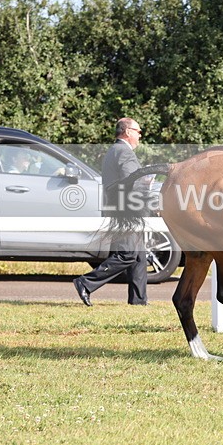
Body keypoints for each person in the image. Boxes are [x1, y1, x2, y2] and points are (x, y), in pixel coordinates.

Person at [73, 117, 149, 306]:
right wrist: (146, 186)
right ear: (128, 131)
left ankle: (138, 301)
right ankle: (86, 282)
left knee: (139, 256)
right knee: (127, 254)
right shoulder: (124, 152)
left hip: (120, 209)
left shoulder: (115, 150)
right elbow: (131, 181)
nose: (140, 136)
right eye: (138, 131)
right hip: (126, 211)